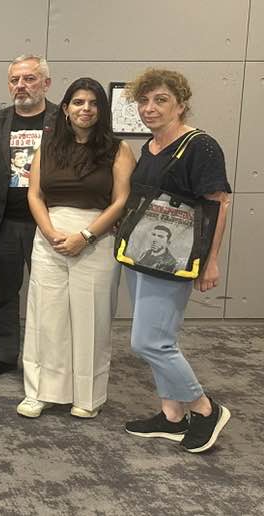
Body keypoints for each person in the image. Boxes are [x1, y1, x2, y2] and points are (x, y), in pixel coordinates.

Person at [122, 69, 232, 453]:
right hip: (141, 255)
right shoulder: (151, 146)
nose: (149, 108)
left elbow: (218, 204)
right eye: (144, 101)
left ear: (181, 104)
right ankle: (171, 416)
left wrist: (211, 261)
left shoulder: (200, 146)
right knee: (161, 339)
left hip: (176, 258)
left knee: (148, 342)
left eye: (161, 100)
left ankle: (204, 408)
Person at [17, 77, 135, 419]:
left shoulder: (118, 149)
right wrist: (50, 232)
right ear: (66, 109)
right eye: (79, 102)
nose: (86, 109)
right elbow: (34, 194)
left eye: (93, 103)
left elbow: (122, 200)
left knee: (90, 318)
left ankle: (88, 396)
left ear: (102, 110)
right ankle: (40, 392)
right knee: (46, 317)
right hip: (50, 238)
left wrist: (85, 236)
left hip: (96, 239)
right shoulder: (48, 147)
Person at [0, 55, 57, 380]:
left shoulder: (62, 121)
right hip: (3, 223)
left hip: (48, 224)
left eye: (29, 79)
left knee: (50, 295)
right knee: (3, 293)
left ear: (46, 83)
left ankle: (48, 358)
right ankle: (3, 353)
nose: (21, 86)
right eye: (15, 80)